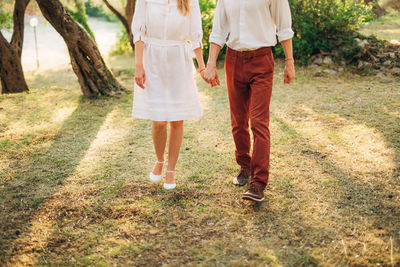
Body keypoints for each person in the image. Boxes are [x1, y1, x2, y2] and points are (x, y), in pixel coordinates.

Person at [201, 0, 296, 202]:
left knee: (259, 122)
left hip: (262, 61)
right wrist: (210, 64)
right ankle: (245, 166)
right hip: (233, 61)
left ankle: (258, 183)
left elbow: (284, 27)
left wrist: (289, 62)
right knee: (238, 121)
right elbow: (218, 31)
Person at [132, 0, 206, 190]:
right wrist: (139, 65)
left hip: (179, 61)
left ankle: (171, 170)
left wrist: (202, 66)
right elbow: (139, 31)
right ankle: (159, 160)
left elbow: (196, 35)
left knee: (177, 119)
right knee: (158, 120)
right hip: (152, 59)